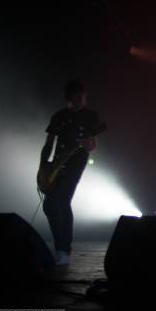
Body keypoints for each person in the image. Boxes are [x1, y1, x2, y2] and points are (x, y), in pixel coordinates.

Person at [40, 80, 101, 266]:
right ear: (71, 97)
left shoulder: (91, 116)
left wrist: (87, 144)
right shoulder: (58, 116)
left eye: (83, 96)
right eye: (77, 96)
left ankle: (64, 250)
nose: (81, 99)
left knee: (62, 199)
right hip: (57, 164)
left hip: (76, 162)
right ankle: (59, 246)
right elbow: (49, 143)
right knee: (49, 206)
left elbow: (92, 146)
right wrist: (43, 166)